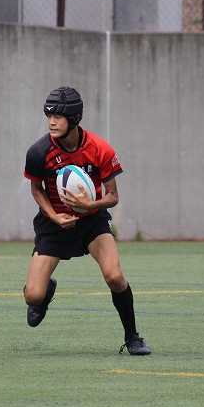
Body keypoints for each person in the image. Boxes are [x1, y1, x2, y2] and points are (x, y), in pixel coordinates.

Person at [22, 87, 151, 356]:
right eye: (49, 116)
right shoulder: (38, 152)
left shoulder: (100, 149)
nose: (51, 122)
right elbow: (36, 189)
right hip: (54, 225)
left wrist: (90, 206)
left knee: (115, 277)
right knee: (33, 295)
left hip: (92, 222)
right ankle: (45, 291)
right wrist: (55, 216)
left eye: (58, 116)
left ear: (74, 118)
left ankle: (132, 337)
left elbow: (113, 196)